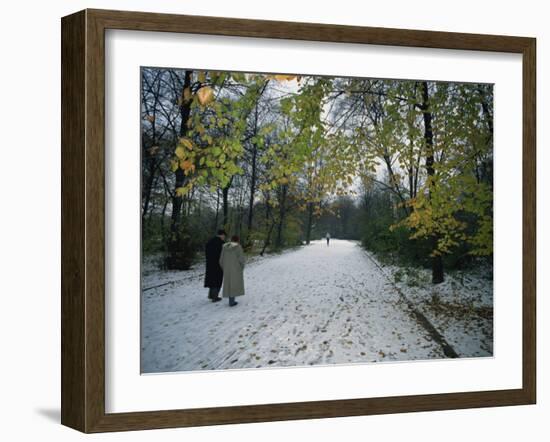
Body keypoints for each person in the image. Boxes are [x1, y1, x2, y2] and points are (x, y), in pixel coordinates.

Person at [219, 235, 245, 307]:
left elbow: (221, 260)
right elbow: (241, 259)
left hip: (227, 269)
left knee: (229, 284)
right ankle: (232, 301)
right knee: (234, 284)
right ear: (238, 240)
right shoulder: (238, 247)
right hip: (236, 269)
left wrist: (224, 267)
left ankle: (231, 300)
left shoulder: (224, 247)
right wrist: (241, 267)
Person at [204, 229, 226, 302]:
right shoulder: (221, 243)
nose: (224, 237)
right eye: (224, 236)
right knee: (217, 280)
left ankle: (210, 295)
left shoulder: (210, 241)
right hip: (218, 264)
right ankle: (215, 297)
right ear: (222, 235)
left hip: (210, 264)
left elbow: (206, 252)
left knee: (212, 279)